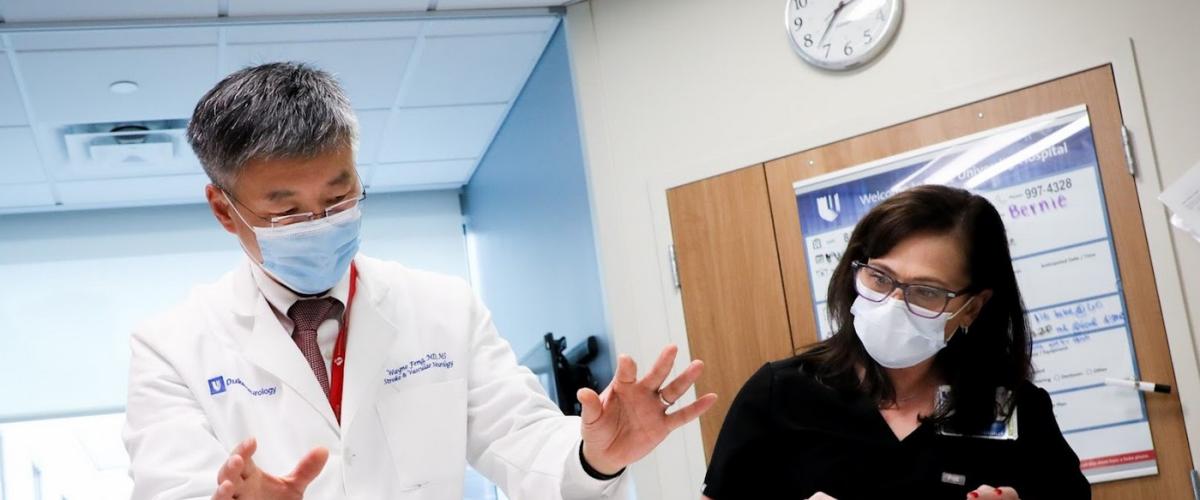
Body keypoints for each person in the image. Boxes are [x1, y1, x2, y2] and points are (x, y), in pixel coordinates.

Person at [122, 62, 718, 500]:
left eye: (339, 196)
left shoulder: (441, 308)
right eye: (288, 213)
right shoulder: (171, 346)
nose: (321, 225)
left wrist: (594, 459)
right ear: (225, 210)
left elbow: (523, 442)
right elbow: (173, 489)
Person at [701, 186, 1090, 500]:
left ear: (973, 307)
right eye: (879, 278)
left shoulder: (1009, 406)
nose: (893, 305)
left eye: (925, 292)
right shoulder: (781, 393)